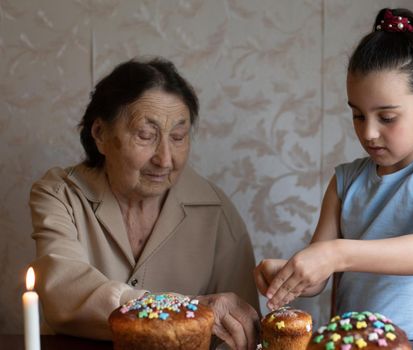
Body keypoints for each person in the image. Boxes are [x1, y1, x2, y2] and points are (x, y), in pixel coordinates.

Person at [254, 8, 413, 341]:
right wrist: (293, 272)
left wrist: (336, 253)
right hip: (348, 343)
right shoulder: (345, 181)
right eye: (358, 115)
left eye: (386, 117)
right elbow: (320, 279)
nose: (369, 133)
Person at [30, 56, 260, 349]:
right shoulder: (60, 194)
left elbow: (241, 330)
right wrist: (183, 310)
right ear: (100, 134)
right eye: (146, 135)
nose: (164, 159)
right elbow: (62, 292)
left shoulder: (216, 210)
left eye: (178, 137)